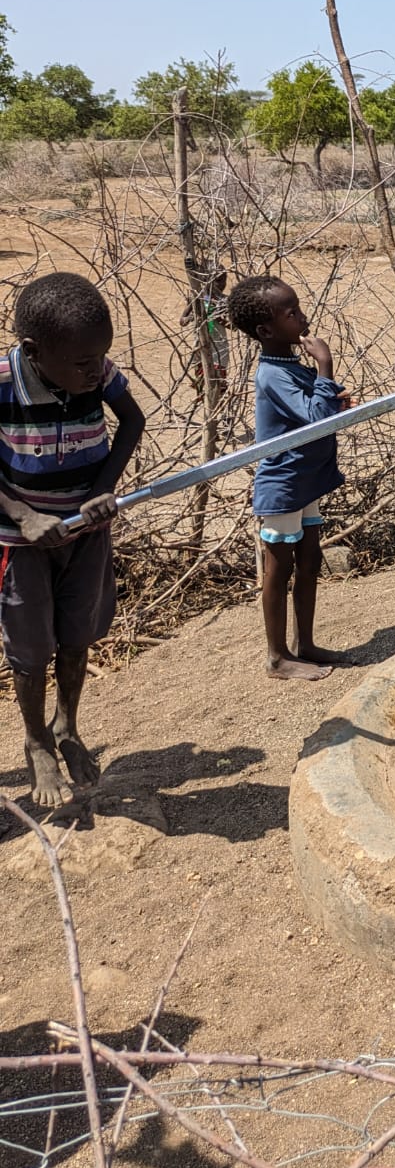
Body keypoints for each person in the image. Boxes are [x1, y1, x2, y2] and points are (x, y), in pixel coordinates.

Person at [0, 273, 146, 807]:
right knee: (32, 650)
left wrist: (104, 488)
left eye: (100, 358)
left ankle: (67, 726)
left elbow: (132, 420)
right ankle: (37, 741)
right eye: (83, 362)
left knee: (77, 634)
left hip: (86, 530)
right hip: (21, 543)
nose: (94, 371)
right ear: (34, 351)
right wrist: (21, 513)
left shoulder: (96, 371)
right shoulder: (1, 381)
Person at [227, 276, 349, 681]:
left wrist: (333, 395)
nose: (302, 317)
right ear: (265, 331)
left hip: (306, 479)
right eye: (291, 312)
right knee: (278, 571)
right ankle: (277, 656)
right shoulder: (272, 375)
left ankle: (306, 644)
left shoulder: (288, 368)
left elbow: (317, 410)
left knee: (310, 561)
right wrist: (325, 366)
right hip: (283, 484)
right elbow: (314, 420)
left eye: (299, 307)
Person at [179, 264, 230, 398]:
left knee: (218, 387)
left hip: (219, 350)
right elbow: (182, 321)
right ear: (207, 281)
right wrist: (194, 316)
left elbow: (234, 326)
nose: (221, 284)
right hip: (200, 347)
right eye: (217, 280)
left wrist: (219, 318)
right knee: (203, 387)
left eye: (224, 279)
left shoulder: (225, 301)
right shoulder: (198, 298)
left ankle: (219, 412)